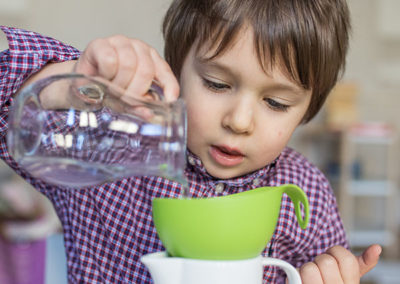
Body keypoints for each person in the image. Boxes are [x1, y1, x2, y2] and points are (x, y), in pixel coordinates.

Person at [0, 0, 381, 283]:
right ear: (176, 68)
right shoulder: (115, 147)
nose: (239, 121)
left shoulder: (306, 193)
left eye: (276, 103)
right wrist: (70, 81)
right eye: (217, 84)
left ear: (307, 110)